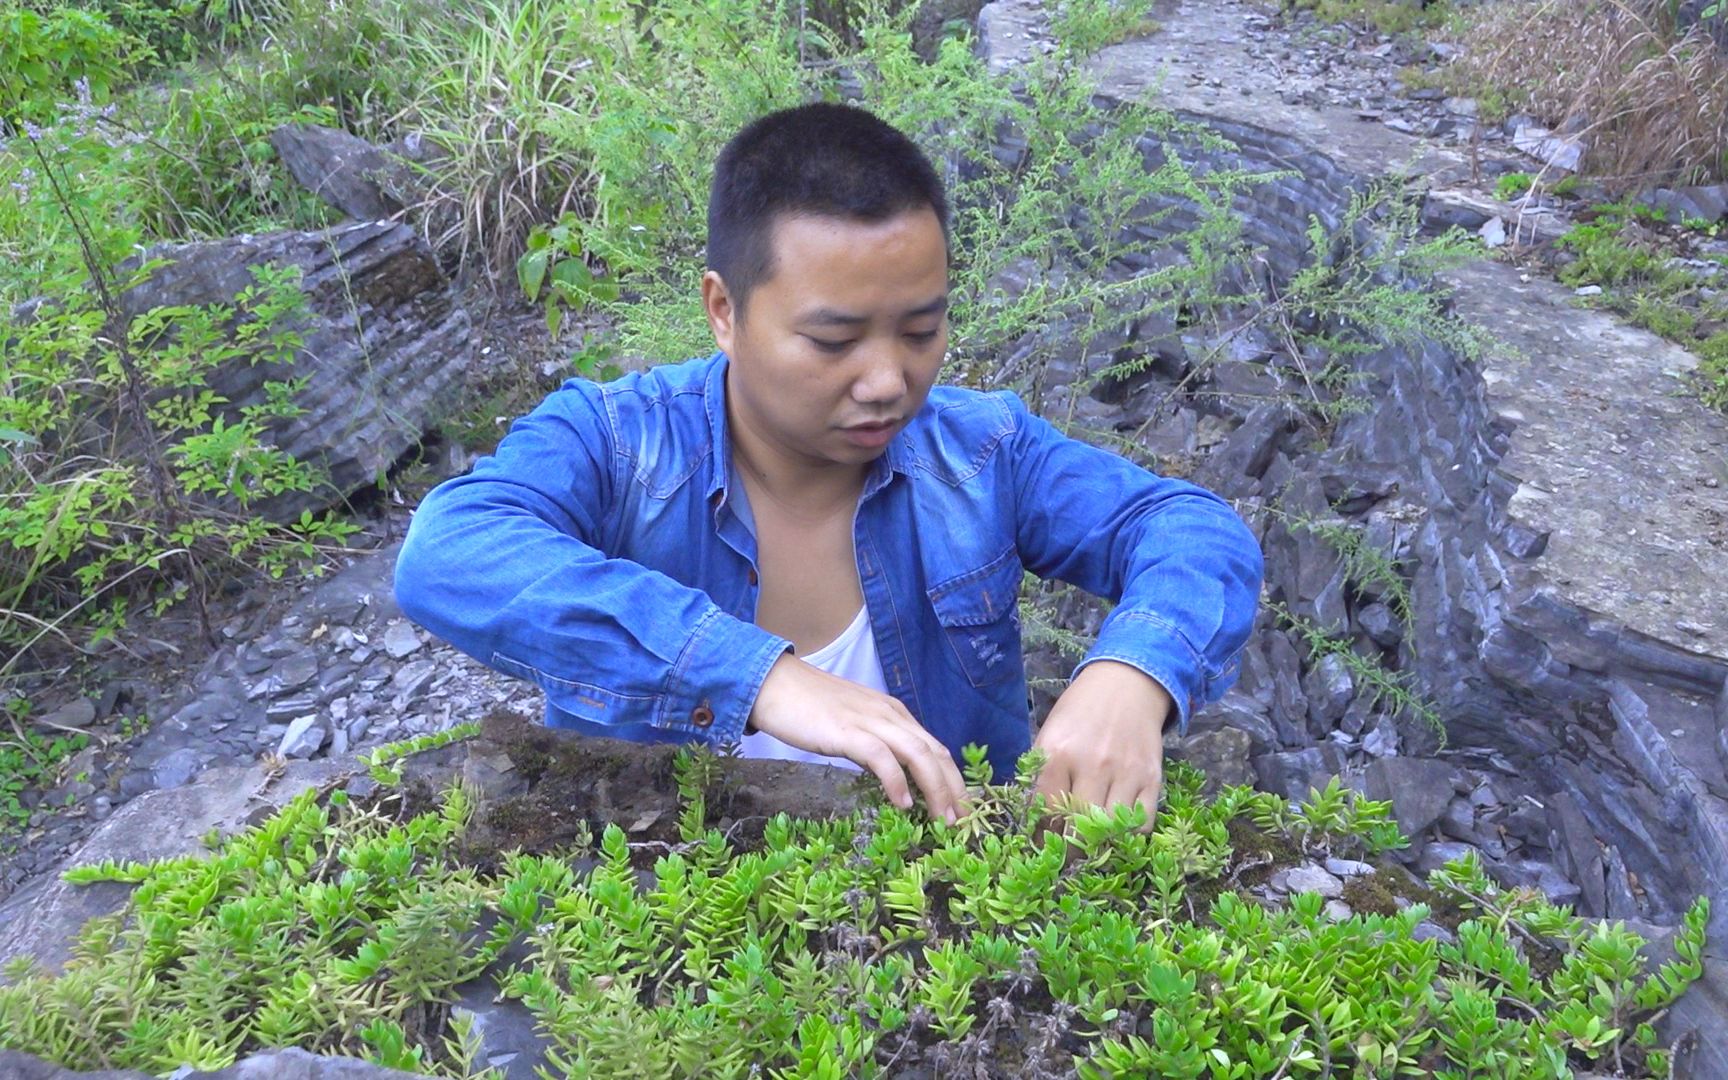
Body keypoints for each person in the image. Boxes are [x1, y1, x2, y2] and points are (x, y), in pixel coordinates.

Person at [393, 102, 1263, 827]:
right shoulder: (620, 445)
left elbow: (1188, 530)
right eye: (833, 340)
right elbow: (448, 550)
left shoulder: (983, 452)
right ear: (724, 311)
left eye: (922, 332)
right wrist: (755, 673)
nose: (888, 380)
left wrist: (1134, 671)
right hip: (665, 941)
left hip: (943, 947)